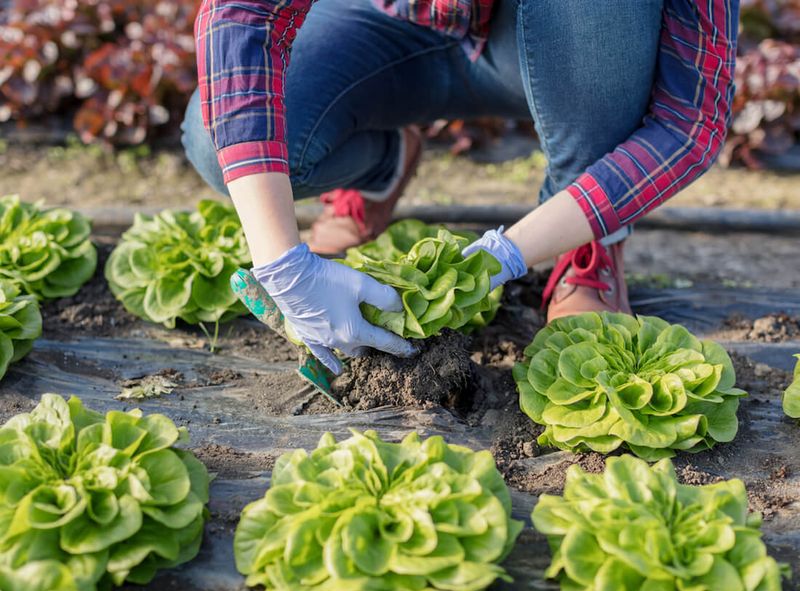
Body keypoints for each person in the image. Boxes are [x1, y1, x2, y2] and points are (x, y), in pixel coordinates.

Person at [181, 0, 738, 375]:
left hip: (569, 42)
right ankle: (383, 164)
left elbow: (688, 125)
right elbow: (242, 13)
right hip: (395, 24)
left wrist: (510, 252)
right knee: (216, 139)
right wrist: (282, 265)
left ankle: (583, 236)